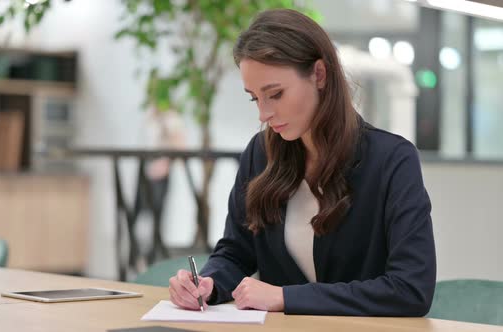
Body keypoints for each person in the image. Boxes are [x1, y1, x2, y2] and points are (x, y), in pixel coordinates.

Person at [168, 8, 436, 316]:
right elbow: (236, 252)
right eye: (255, 98)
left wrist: (286, 297)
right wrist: (209, 283)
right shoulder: (260, 153)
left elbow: (411, 289)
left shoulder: (392, 160)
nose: (263, 114)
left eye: (276, 94)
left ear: (319, 74)